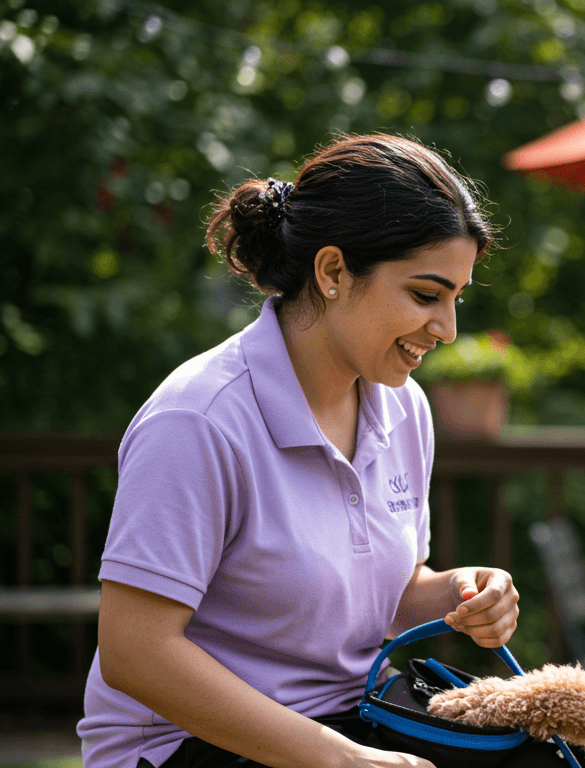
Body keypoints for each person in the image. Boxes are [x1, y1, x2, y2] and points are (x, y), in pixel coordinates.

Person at [78, 134, 532, 768]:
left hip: (351, 720)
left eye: (457, 299)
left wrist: (462, 593)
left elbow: (390, 598)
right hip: (187, 747)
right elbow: (134, 653)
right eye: (427, 296)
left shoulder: (404, 408)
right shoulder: (198, 420)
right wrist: (338, 760)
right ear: (333, 272)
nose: (448, 330)